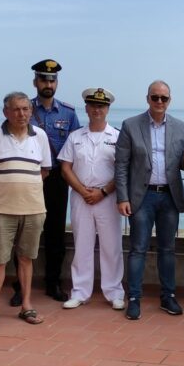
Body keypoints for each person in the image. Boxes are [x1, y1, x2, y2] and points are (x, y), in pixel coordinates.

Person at [0, 92, 53, 331]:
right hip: (1, 209)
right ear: (6, 111)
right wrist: (2, 187)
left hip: (34, 208)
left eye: (26, 109)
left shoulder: (40, 136)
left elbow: (45, 170)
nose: (21, 114)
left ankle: (26, 306)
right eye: (16, 109)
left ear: (31, 111)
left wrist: (24, 186)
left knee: (26, 258)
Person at [115, 80, 184, 320]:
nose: (159, 102)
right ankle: (134, 298)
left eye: (164, 98)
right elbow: (121, 165)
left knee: (168, 250)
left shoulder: (181, 127)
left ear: (170, 100)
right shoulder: (130, 125)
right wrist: (122, 197)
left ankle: (168, 297)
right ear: (147, 98)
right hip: (142, 197)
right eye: (155, 97)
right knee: (137, 249)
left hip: (169, 196)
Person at [58, 88, 125, 310]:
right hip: (80, 197)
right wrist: (82, 190)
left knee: (111, 245)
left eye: (102, 106)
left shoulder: (117, 137)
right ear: (86, 108)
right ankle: (80, 292)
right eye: (93, 105)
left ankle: (114, 292)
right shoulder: (75, 136)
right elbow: (65, 167)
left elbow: (122, 170)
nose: (97, 109)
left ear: (107, 109)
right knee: (82, 245)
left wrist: (103, 192)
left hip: (108, 197)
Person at [25, 59, 81, 303]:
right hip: (28, 177)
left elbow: (76, 146)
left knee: (55, 232)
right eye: (44, 79)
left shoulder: (68, 113)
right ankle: (20, 284)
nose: (48, 83)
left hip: (57, 178)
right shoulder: (23, 108)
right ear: (35, 82)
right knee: (25, 231)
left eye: (52, 79)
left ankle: (52, 282)